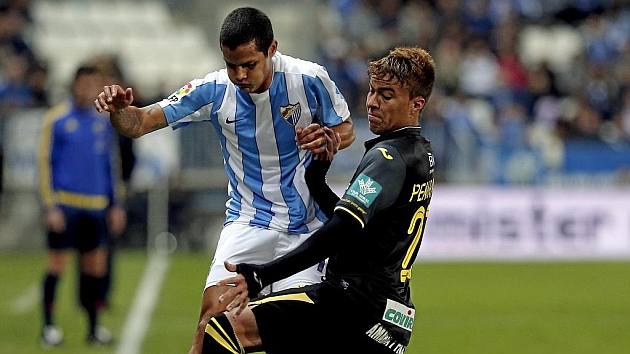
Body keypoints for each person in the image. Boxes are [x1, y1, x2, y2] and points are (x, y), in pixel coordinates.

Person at [93, 6, 355, 354]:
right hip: (248, 222)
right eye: (233, 65)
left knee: (297, 339)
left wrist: (329, 138)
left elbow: (346, 127)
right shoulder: (213, 90)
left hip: (306, 229)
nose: (241, 74)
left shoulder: (310, 78)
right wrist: (118, 111)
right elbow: (139, 123)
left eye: (250, 64)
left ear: (272, 49)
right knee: (210, 325)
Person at [201, 45, 437, 354]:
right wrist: (316, 178)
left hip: (351, 304)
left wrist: (264, 273)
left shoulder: (387, 157)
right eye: (372, 91)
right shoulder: (421, 154)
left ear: (416, 104)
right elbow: (359, 232)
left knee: (223, 328)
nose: (372, 102)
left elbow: (341, 229)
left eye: (386, 95)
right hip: (391, 316)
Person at [38, 65, 127, 347]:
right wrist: (50, 206)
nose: (87, 90)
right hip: (66, 206)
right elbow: (44, 164)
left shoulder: (103, 121)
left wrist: (116, 204)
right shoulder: (57, 119)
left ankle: (93, 328)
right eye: (83, 84)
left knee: (95, 270)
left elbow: (111, 167)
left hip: (96, 207)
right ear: (73, 85)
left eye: (93, 85)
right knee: (56, 266)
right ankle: (49, 327)